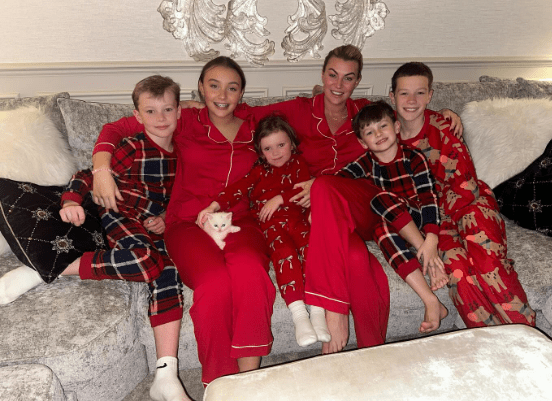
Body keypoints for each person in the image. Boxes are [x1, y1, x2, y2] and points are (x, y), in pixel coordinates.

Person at [91, 45, 463, 356]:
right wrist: (101, 167)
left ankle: (333, 315)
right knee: (353, 258)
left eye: (348, 77)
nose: (339, 84)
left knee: (324, 187)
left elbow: (403, 112)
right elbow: (126, 125)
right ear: (322, 75)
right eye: (332, 75)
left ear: (357, 82)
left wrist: (442, 114)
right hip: (319, 219)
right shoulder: (288, 111)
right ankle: (371, 353)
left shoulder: (364, 112)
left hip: (353, 202)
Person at [91, 57, 276, 386]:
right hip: (186, 221)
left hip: (239, 218)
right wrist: (101, 170)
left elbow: (308, 116)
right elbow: (116, 129)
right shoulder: (184, 118)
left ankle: (249, 384)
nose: (222, 94)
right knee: (214, 283)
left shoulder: (256, 122)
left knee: (251, 271)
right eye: (214, 85)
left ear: (242, 92)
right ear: (201, 88)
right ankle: (218, 384)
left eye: (232, 87)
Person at [60, 75, 191, 401]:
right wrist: (71, 200)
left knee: (169, 271)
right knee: (146, 261)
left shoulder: (183, 156)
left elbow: (184, 198)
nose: (160, 119)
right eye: (151, 111)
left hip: (153, 226)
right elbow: (89, 175)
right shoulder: (132, 146)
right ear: (137, 116)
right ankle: (60, 265)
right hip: (119, 215)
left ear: (179, 112)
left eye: (167, 110)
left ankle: (166, 374)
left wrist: (165, 218)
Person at [390, 62, 536, 328]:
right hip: (434, 223)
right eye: (404, 94)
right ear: (392, 97)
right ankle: (487, 340)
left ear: (430, 95)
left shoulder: (443, 126)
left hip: (471, 204)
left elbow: (464, 184)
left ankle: (524, 332)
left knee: (487, 262)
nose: (412, 101)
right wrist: (433, 231)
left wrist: (439, 224)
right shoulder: (386, 137)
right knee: (459, 273)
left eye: (420, 93)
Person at [197, 114, 331, 347]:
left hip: (299, 220)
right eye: (269, 148)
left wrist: (279, 198)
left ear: (291, 143)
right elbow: (236, 190)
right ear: (260, 152)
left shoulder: (299, 164)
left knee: (312, 250)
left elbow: (304, 187)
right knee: (285, 255)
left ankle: (318, 313)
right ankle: (299, 315)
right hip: (271, 227)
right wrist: (213, 206)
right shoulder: (258, 173)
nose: (276, 152)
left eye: (281, 145)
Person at [335, 101, 448, 333]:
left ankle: (426, 252)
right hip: (393, 224)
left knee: (379, 198)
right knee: (379, 230)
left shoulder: (414, 157)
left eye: (383, 126)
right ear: (361, 142)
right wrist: (314, 186)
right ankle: (430, 300)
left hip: (416, 219)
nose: (378, 134)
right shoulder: (366, 162)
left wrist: (431, 239)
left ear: (397, 127)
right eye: (369, 132)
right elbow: (338, 181)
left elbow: (428, 198)